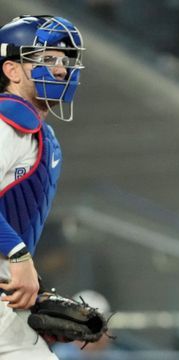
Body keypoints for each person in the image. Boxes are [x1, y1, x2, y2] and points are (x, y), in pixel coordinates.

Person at [0, 15, 85, 360]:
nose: (62, 69)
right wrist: (19, 257)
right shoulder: (8, 123)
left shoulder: (37, 130)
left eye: (66, 60)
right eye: (47, 59)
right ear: (12, 70)